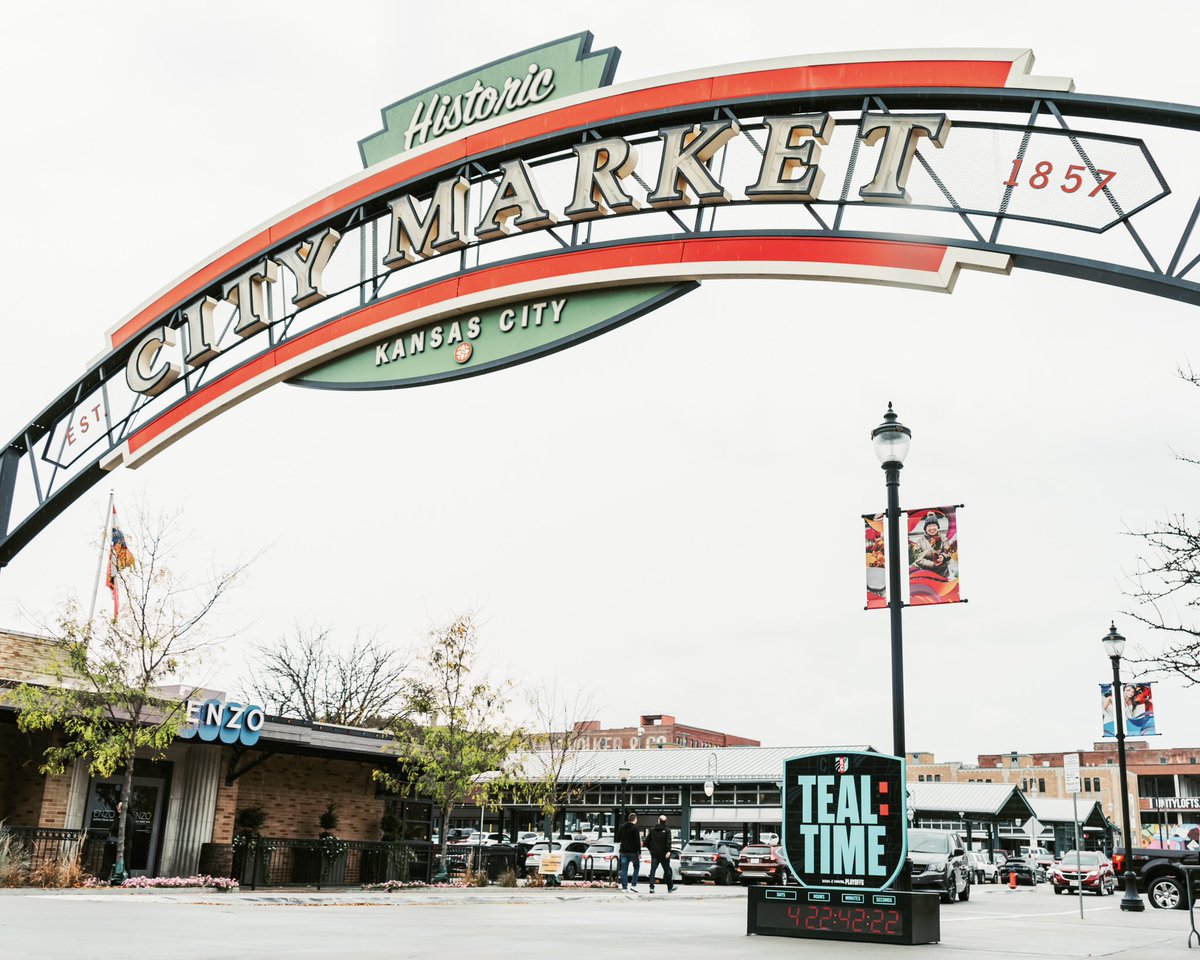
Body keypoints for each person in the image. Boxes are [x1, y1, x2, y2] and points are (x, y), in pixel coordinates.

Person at [910, 512, 954, 578]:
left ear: (937, 527)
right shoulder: (919, 542)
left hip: (943, 574)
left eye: (934, 525)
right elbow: (918, 559)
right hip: (927, 575)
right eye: (929, 526)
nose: (932, 528)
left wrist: (943, 557)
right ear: (925, 528)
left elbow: (949, 552)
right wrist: (932, 564)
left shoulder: (944, 539)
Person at [646, 815, 675, 893]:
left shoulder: (652, 830)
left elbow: (646, 842)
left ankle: (651, 887)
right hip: (664, 854)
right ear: (665, 821)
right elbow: (668, 842)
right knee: (667, 870)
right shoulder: (667, 830)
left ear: (658, 820)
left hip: (654, 854)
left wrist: (651, 850)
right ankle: (670, 887)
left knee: (653, 870)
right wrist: (668, 851)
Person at [616, 813, 641, 892]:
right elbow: (637, 841)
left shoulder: (622, 827)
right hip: (633, 852)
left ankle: (624, 887)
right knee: (636, 867)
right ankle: (633, 885)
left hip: (623, 851)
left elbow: (618, 838)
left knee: (624, 870)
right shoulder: (635, 828)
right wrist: (639, 852)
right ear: (635, 819)